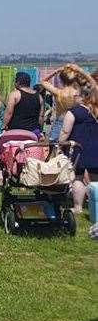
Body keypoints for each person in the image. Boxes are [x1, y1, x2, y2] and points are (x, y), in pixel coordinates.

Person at [59, 66, 98, 213]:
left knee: (78, 178)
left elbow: (65, 131)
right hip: (96, 148)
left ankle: (78, 207)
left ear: (81, 96)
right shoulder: (95, 112)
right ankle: (95, 205)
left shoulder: (74, 112)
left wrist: (59, 144)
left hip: (79, 149)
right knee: (96, 178)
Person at [42, 64, 85, 142]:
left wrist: (56, 71)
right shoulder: (79, 93)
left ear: (61, 80)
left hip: (60, 122)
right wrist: (78, 71)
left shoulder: (58, 92)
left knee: (55, 148)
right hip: (76, 121)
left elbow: (43, 81)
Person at [3, 72, 44, 138]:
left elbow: (9, 113)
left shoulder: (14, 95)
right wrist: (40, 131)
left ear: (18, 82)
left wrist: (3, 126)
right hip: (33, 132)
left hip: (16, 131)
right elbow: (41, 117)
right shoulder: (39, 97)